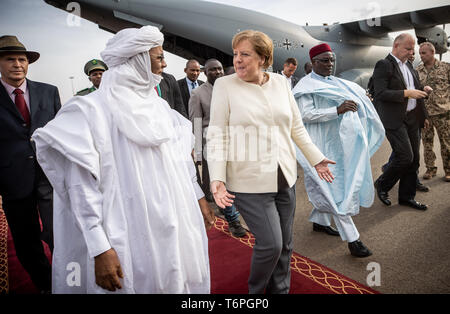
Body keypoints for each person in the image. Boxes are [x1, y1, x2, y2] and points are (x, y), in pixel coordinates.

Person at [32, 26, 214, 294]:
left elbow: (181, 161)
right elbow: (80, 186)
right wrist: (99, 247)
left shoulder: (160, 108)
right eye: (158, 57)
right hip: (124, 229)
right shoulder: (91, 110)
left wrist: (198, 197)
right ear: (137, 59)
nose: (164, 63)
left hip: (172, 223)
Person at [207, 30, 335, 294]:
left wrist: (316, 158)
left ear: (264, 58)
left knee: (286, 244)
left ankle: (280, 290)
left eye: (245, 54)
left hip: (285, 177)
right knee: (271, 245)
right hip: (248, 181)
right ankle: (256, 292)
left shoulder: (280, 82)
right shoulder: (225, 86)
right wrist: (217, 178)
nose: (238, 60)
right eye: (235, 54)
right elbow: (217, 135)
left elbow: (296, 127)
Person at [293, 43, 385, 257]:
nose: (329, 64)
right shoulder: (305, 87)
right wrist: (338, 110)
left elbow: (355, 98)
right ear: (313, 63)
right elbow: (305, 115)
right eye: (324, 60)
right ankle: (353, 240)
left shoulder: (336, 82)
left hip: (337, 143)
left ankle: (320, 220)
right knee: (329, 188)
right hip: (316, 147)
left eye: (332, 60)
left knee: (336, 184)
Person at [0, 35, 61, 293]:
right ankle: (47, 286)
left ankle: (69, 283)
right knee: (26, 244)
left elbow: (62, 134)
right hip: (12, 181)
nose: (17, 64)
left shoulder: (49, 92)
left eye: (22, 59)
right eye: (10, 59)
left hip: (50, 177)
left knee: (58, 235)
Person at [372, 33, 432, 210]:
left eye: (412, 49)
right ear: (396, 46)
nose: (410, 52)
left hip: (413, 117)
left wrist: (424, 115)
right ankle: (382, 184)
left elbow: (417, 91)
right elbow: (380, 93)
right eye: (407, 48)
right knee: (405, 156)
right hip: (394, 119)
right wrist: (406, 93)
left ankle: (407, 197)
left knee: (414, 160)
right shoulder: (384, 65)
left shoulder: (409, 66)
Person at [189, 58, 246, 238]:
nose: (218, 72)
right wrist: (198, 151)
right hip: (212, 146)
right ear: (205, 72)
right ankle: (233, 221)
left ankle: (233, 210)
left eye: (220, 69)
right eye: (213, 70)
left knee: (237, 181)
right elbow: (196, 122)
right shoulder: (198, 94)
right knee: (220, 183)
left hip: (235, 142)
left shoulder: (232, 89)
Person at [416, 42, 450, 182]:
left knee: (447, 143)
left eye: (423, 53)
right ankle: (430, 169)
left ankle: (448, 170)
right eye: (420, 53)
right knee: (427, 143)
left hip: (443, 112)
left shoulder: (446, 67)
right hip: (425, 114)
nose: (421, 55)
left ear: (432, 52)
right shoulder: (418, 70)